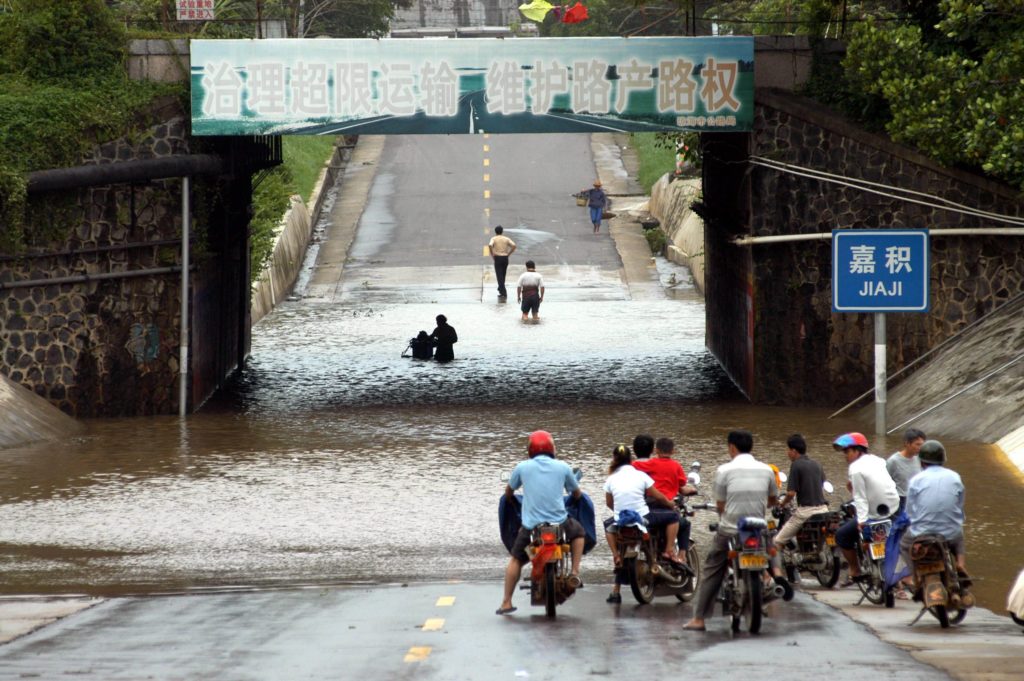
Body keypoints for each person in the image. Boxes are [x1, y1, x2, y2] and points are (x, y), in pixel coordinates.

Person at [684, 430, 778, 632]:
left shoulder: (724, 470)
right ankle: (773, 579)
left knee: (712, 568)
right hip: (757, 528)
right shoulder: (766, 470)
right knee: (771, 546)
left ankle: (699, 618)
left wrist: (725, 513)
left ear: (732, 447)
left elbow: (720, 504)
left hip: (731, 529)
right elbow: (772, 500)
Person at [497, 430, 586, 615]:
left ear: (530, 449)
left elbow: (508, 493)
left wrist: (514, 500)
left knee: (516, 560)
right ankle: (575, 573)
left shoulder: (522, 467)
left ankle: (506, 602)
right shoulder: (563, 467)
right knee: (579, 533)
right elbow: (576, 494)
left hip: (531, 528)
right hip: (560, 524)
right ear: (552, 448)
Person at [603, 444, 680, 603]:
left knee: (608, 527)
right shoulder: (640, 475)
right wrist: (671, 504)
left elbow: (609, 503)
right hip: (643, 516)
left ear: (614, 459)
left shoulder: (611, 479)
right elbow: (657, 496)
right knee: (673, 517)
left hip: (621, 519)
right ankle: (668, 550)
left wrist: (621, 512)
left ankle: (616, 555)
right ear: (631, 459)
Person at [832, 432, 899, 586]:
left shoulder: (855, 468)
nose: (845, 456)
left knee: (841, 536)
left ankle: (855, 570)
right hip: (892, 507)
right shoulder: (879, 461)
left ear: (858, 451)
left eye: (848, 452)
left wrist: (861, 521)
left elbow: (860, 498)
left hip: (873, 513)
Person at [900, 440, 967, 574]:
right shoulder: (955, 477)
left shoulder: (916, 480)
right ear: (943, 460)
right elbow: (959, 506)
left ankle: (913, 576)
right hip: (950, 532)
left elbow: (909, 511)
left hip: (922, 533)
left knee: (903, 545)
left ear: (922, 462)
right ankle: (961, 564)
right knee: (959, 538)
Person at [633, 436, 693, 563]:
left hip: (651, 505)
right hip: (666, 506)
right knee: (685, 524)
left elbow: (635, 465)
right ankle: (678, 553)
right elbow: (682, 486)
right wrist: (692, 489)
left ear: (656, 451)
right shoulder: (676, 466)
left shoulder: (652, 463)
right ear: (673, 451)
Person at [773, 433, 829, 549]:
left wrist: (783, 504)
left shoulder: (796, 465)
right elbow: (822, 484)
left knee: (777, 541)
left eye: (788, 450)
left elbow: (791, 493)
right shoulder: (817, 464)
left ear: (794, 451)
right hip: (823, 510)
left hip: (806, 512)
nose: (787, 453)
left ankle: (776, 567)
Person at [887, 427, 925, 512]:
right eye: (917, 444)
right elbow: (883, 483)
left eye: (922, 445)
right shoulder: (893, 461)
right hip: (899, 501)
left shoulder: (920, 459)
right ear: (907, 443)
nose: (920, 447)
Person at [488, 225, 517, 299]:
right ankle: (501, 289)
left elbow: (490, 245)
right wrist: (509, 253)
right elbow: (514, 245)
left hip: (497, 257)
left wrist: (492, 254)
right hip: (505, 257)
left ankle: (503, 291)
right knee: (503, 274)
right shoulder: (506, 238)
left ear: (495, 232)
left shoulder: (494, 238)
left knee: (499, 275)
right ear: (502, 231)